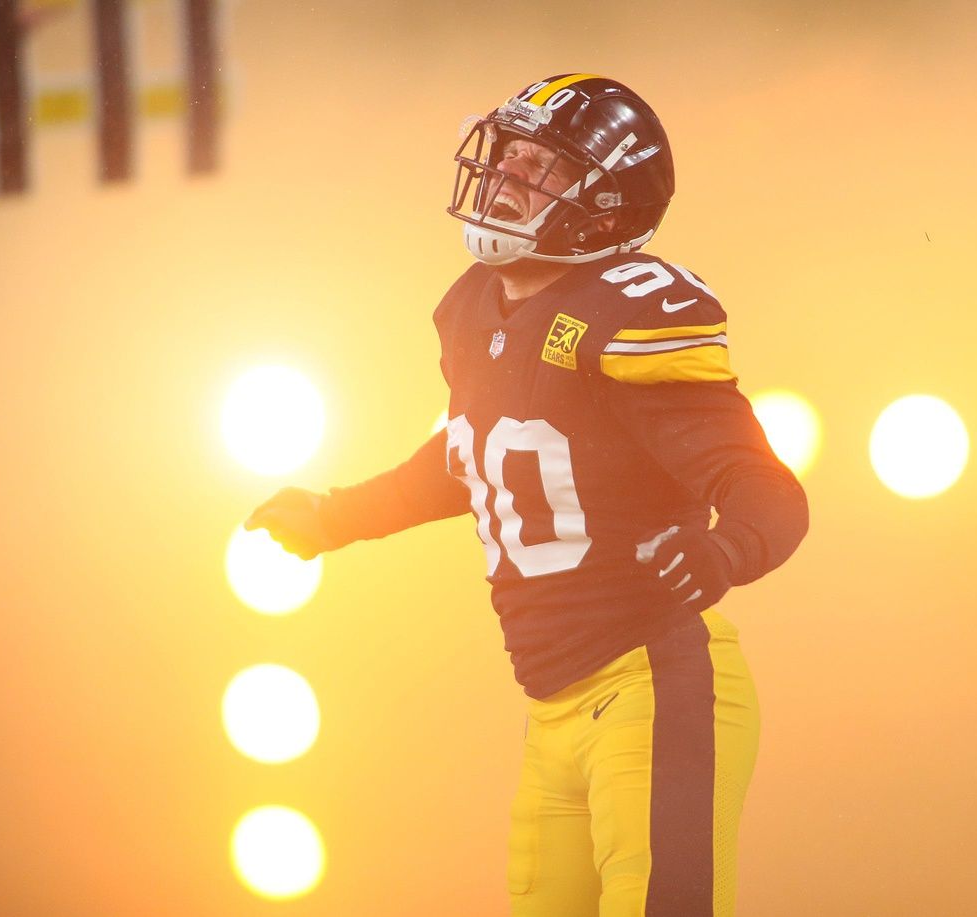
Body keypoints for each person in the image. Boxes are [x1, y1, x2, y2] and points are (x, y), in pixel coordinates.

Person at [245, 73, 808, 916]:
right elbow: (474, 457)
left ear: (608, 202)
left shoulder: (632, 315)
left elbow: (767, 486)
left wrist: (726, 547)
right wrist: (337, 516)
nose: (506, 175)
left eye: (539, 164)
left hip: (650, 682)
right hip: (552, 708)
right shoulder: (476, 308)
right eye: (505, 152)